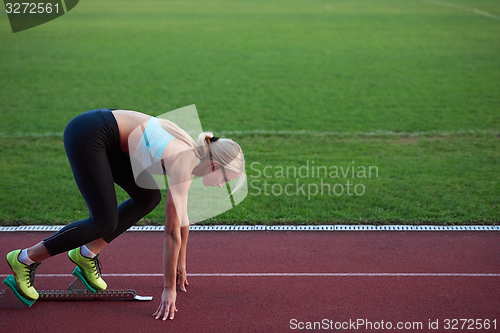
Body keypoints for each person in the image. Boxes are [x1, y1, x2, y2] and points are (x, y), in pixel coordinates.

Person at [5, 108, 245, 320]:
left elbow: (182, 221)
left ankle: (86, 254)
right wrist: (168, 288)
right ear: (215, 166)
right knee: (103, 222)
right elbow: (171, 233)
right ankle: (25, 258)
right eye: (224, 180)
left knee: (148, 197)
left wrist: (181, 264)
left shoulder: (192, 160)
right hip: (90, 133)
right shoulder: (184, 163)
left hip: (108, 140)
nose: (221, 186)